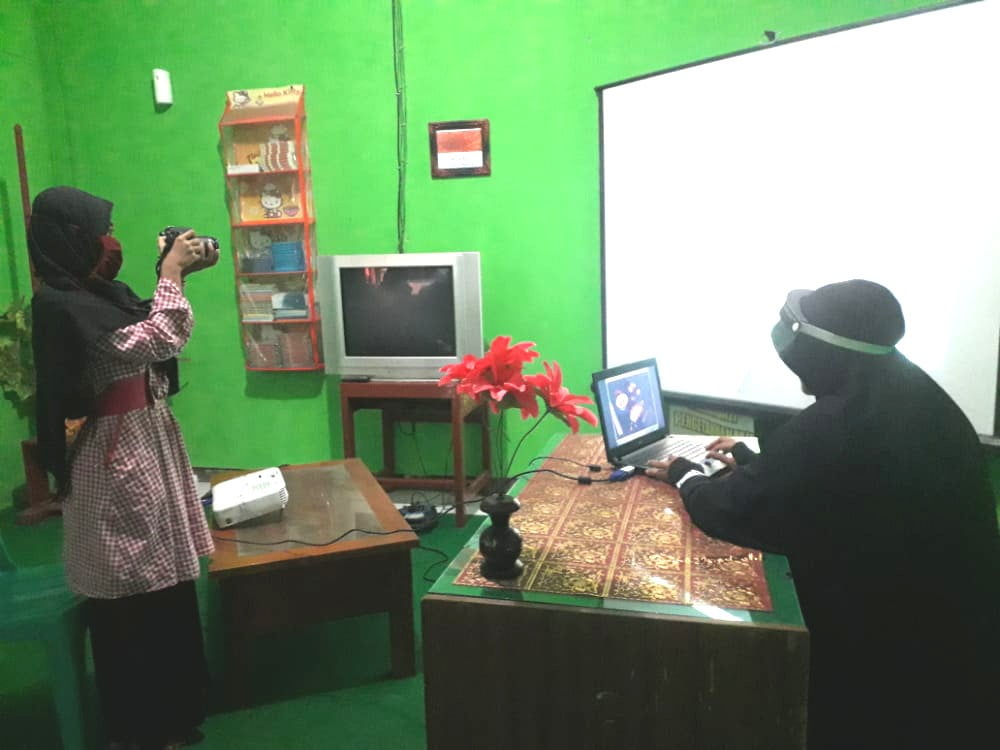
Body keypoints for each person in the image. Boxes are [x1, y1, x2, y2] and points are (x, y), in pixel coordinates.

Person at [646, 279, 1000, 750]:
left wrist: (685, 475)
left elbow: (732, 509)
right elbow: (840, 479)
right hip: (961, 631)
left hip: (901, 661)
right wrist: (753, 461)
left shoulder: (839, 424)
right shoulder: (908, 389)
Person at [28, 186, 219, 750]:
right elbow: (159, 336)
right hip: (115, 461)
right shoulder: (60, 305)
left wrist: (177, 276)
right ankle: (140, 728)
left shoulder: (96, 294)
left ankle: (176, 712)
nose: (110, 243)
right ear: (72, 239)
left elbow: (154, 329)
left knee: (166, 582)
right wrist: (172, 274)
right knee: (129, 588)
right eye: (101, 232)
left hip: (146, 442)